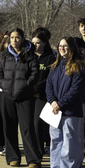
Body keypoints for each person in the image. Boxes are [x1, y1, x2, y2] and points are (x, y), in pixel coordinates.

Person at [0, 28, 40, 168]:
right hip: (7, 96)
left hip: (25, 96)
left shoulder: (30, 55)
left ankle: (32, 159)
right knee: (9, 128)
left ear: (22, 38)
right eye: (12, 37)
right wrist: (4, 85)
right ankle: (13, 157)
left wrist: (25, 86)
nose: (14, 40)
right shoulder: (5, 55)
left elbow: (35, 74)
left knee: (27, 128)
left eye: (17, 37)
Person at [46, 37, 85, 168]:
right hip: (55, 110)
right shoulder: (55, 65)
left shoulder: (80, 65)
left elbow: (76, 90)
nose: (62, 48)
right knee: (55, 140)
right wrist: (52, 102)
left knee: (70, 142)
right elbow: (49, 86)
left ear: (72, 47)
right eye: (60, 46)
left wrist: (60, 104)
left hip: (71, 110)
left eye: (65, 46)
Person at [31, 28, 57, 156]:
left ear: (44, 43)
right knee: (32, 125)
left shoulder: (50, 58)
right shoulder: (29, 58)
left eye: (38, 42)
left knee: (40, 124)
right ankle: (35, 150)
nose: (35, 45)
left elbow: (49, 78)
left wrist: (37, 90)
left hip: (43, 96)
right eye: (34, 43)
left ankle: (42, 150)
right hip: (30, 96)